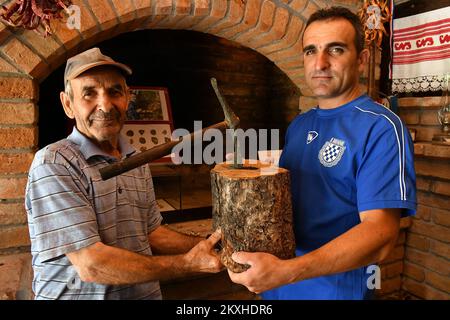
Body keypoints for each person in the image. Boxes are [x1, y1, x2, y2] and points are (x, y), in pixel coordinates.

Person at [228, 7, 417, 300]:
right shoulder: (300, 124)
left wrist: (288, 270)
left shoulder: (381, 127)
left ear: (362, 59)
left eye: (336, 50)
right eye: (310, 51)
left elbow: (380, 234)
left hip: (334, 290)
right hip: (278, 287)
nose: (320, 63)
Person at [25, 47, 222, 300]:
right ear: (68, 104)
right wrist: (187, 263)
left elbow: (152, 233)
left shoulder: (135, 160)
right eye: (89, 94)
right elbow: (91, 264)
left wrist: (212, 242)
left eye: (114, 91)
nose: (105, 105)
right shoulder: (55, 163)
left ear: (128, 98)